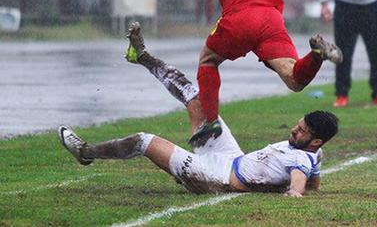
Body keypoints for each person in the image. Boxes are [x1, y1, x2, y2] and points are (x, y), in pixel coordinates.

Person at [121, 0, 342, 146]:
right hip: (270, 16)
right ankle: (317, 54)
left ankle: (211, 121)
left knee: (207, 60)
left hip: (243, 16)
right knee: (294, 79)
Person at [58, 24, 339, 197]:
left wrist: (292, 190)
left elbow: (298, 190)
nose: (294, 129)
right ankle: (142, 56)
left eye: (301, 131)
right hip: (231, 157)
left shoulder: (301, 162)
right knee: (196, 96)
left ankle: (86, 153)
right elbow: (313, 181)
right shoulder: (314, 152)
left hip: (215, 178)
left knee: (144, 141)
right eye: (298, 124)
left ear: (314, 140)